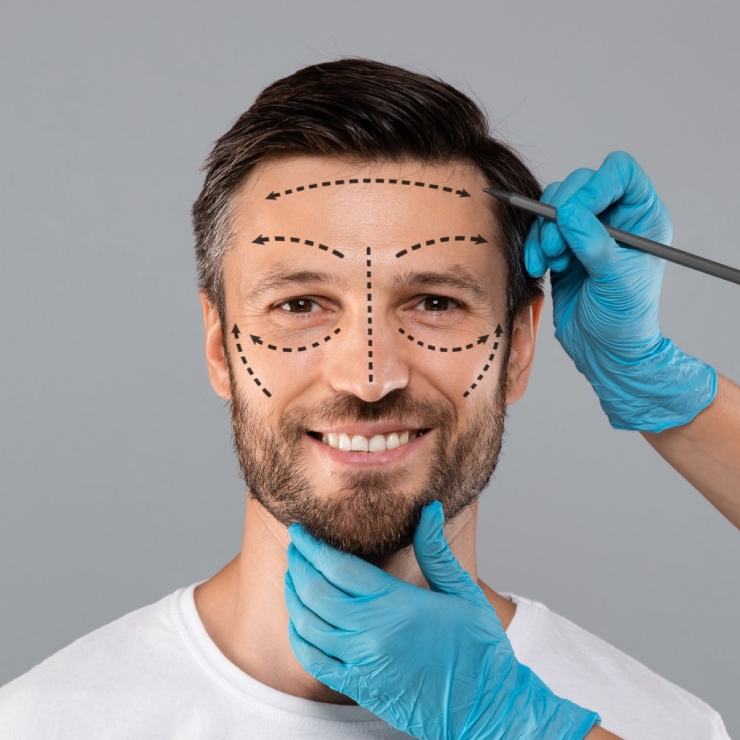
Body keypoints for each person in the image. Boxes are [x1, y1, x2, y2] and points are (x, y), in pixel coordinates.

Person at [0, 58, 732, 739]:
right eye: (300, 305)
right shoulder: (40, 725)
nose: (369, 375)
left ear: (520, 347)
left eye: (436, 303)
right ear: (221, 346)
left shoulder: (665, 725)